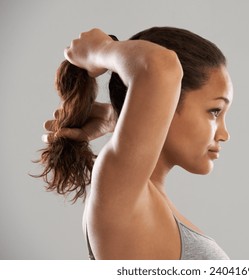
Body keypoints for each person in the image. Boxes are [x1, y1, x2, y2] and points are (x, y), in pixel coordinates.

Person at [40, 27, 233, 260]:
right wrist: (100, 50)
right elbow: (160, 66)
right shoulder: (120, 185)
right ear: (169, 101)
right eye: (214, 111)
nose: (224, 134)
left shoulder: (135, 196)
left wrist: (123, 117)